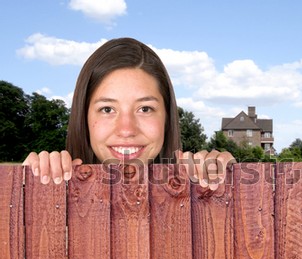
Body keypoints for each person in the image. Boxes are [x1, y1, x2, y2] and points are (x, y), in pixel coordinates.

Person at [23, 37, 235, 190]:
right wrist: (21, 190)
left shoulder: (195, 194)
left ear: (167, 118)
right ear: (84, 117)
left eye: (144, 109)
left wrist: (230, 185)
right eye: (107, 109)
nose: (126, 130)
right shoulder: (53, 191)